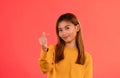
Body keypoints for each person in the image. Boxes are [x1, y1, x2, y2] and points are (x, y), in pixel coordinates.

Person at [38, 13, 93, 78]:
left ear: (77, 28)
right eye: (60, 30)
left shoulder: (86, 57)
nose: (63, 33)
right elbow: (45, 69)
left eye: (67, 28)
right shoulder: (52, 50)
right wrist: (44, 48)